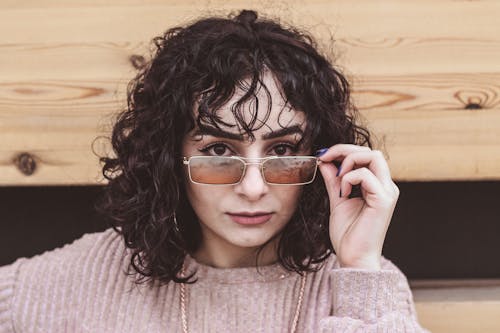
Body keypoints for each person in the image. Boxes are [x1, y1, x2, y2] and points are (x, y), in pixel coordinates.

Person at [0, 9, 430, 333]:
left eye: (282, 149)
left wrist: (357, 267)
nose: (253, 187)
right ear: (170, 155)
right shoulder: (90, 275)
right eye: (219, 148)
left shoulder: (366, 284)